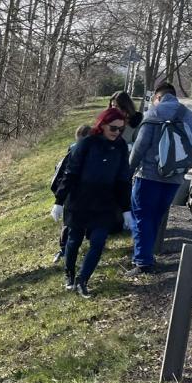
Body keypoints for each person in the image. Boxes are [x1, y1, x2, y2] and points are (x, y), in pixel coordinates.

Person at [126, 83, 192, 276]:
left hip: (148, 176)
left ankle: (142, 261)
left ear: (157, 97)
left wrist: (128, 172)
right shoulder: (189, 115)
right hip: (174, 178)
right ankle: (147, 256)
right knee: (156, 217)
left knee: (142, 217)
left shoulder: (154, 113)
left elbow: (140, 146)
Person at [51, 108, 133, 297]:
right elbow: (71, 173)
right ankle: (69, 274)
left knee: (98, 242)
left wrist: (126, 209)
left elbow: (123, 179)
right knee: (74, 240)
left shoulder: (120, 147)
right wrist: (59, 201)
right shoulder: (86, 144)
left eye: (121, 129)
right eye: (113, 128)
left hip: (105, 203)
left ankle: (83, 280)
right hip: (80, 200)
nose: (117, 133)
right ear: (102, 125)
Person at [51, 124, 93, 263]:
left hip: (84, 193)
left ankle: (69, 247)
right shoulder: (74, 152)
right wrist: (60, 200)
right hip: (72, 194)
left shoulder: (93, 152)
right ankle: (64, 249)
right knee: (69, 223)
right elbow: (65, 176)